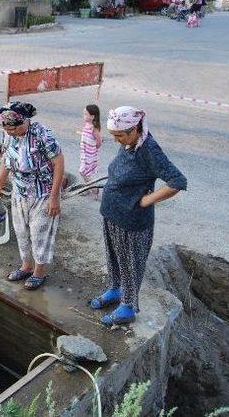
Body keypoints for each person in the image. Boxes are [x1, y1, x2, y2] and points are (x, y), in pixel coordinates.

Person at [90, 106, 187, 326]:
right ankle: (115, 290)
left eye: (119, 135)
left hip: (133, 222)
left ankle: (127, 307)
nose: (116, 140)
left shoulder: (149, 150)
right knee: (114, 257)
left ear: (135, 129)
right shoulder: (129, 143)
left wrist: (146, 200)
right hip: (113, 213)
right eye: (113, 136)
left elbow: (178, 181)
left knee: (131, 264)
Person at [0, 102, 65, 291]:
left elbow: (59, 163)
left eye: (13, 129)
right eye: (7, 130)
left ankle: (39, 272)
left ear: (24, 122)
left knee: (39, 234)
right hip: (19, 192)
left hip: (43, 194)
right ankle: (26, 266)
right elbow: (7, 161)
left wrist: (54, 197)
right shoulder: (9, 135)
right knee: (21, 232)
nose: (11, 133)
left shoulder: (42, 135)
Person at [79, 104, 102, 199]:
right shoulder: (86, 124)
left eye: (85, 114)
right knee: (84, 172)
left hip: (90, 154)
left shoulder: (94, 128)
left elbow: (99, 141)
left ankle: (94, 189)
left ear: (92, 117)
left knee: (84, 171)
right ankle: (89, 188)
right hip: (84, 153)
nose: (83, 116)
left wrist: (93, 149)